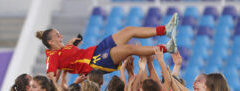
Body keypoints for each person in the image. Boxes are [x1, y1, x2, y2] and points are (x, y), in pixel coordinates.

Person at [36, 13, 179, 82]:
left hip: (96, 50)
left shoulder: (62, 49)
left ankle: (166, 29)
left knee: (129, 30)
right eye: (57, 35)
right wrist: (59, 83)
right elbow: (51, 76)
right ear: (50, 42)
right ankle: (167, 48)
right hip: (94, 63)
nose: (61, 36)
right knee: (130, 49)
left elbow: (66, 57)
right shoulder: (51, 57)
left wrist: (73, 43)